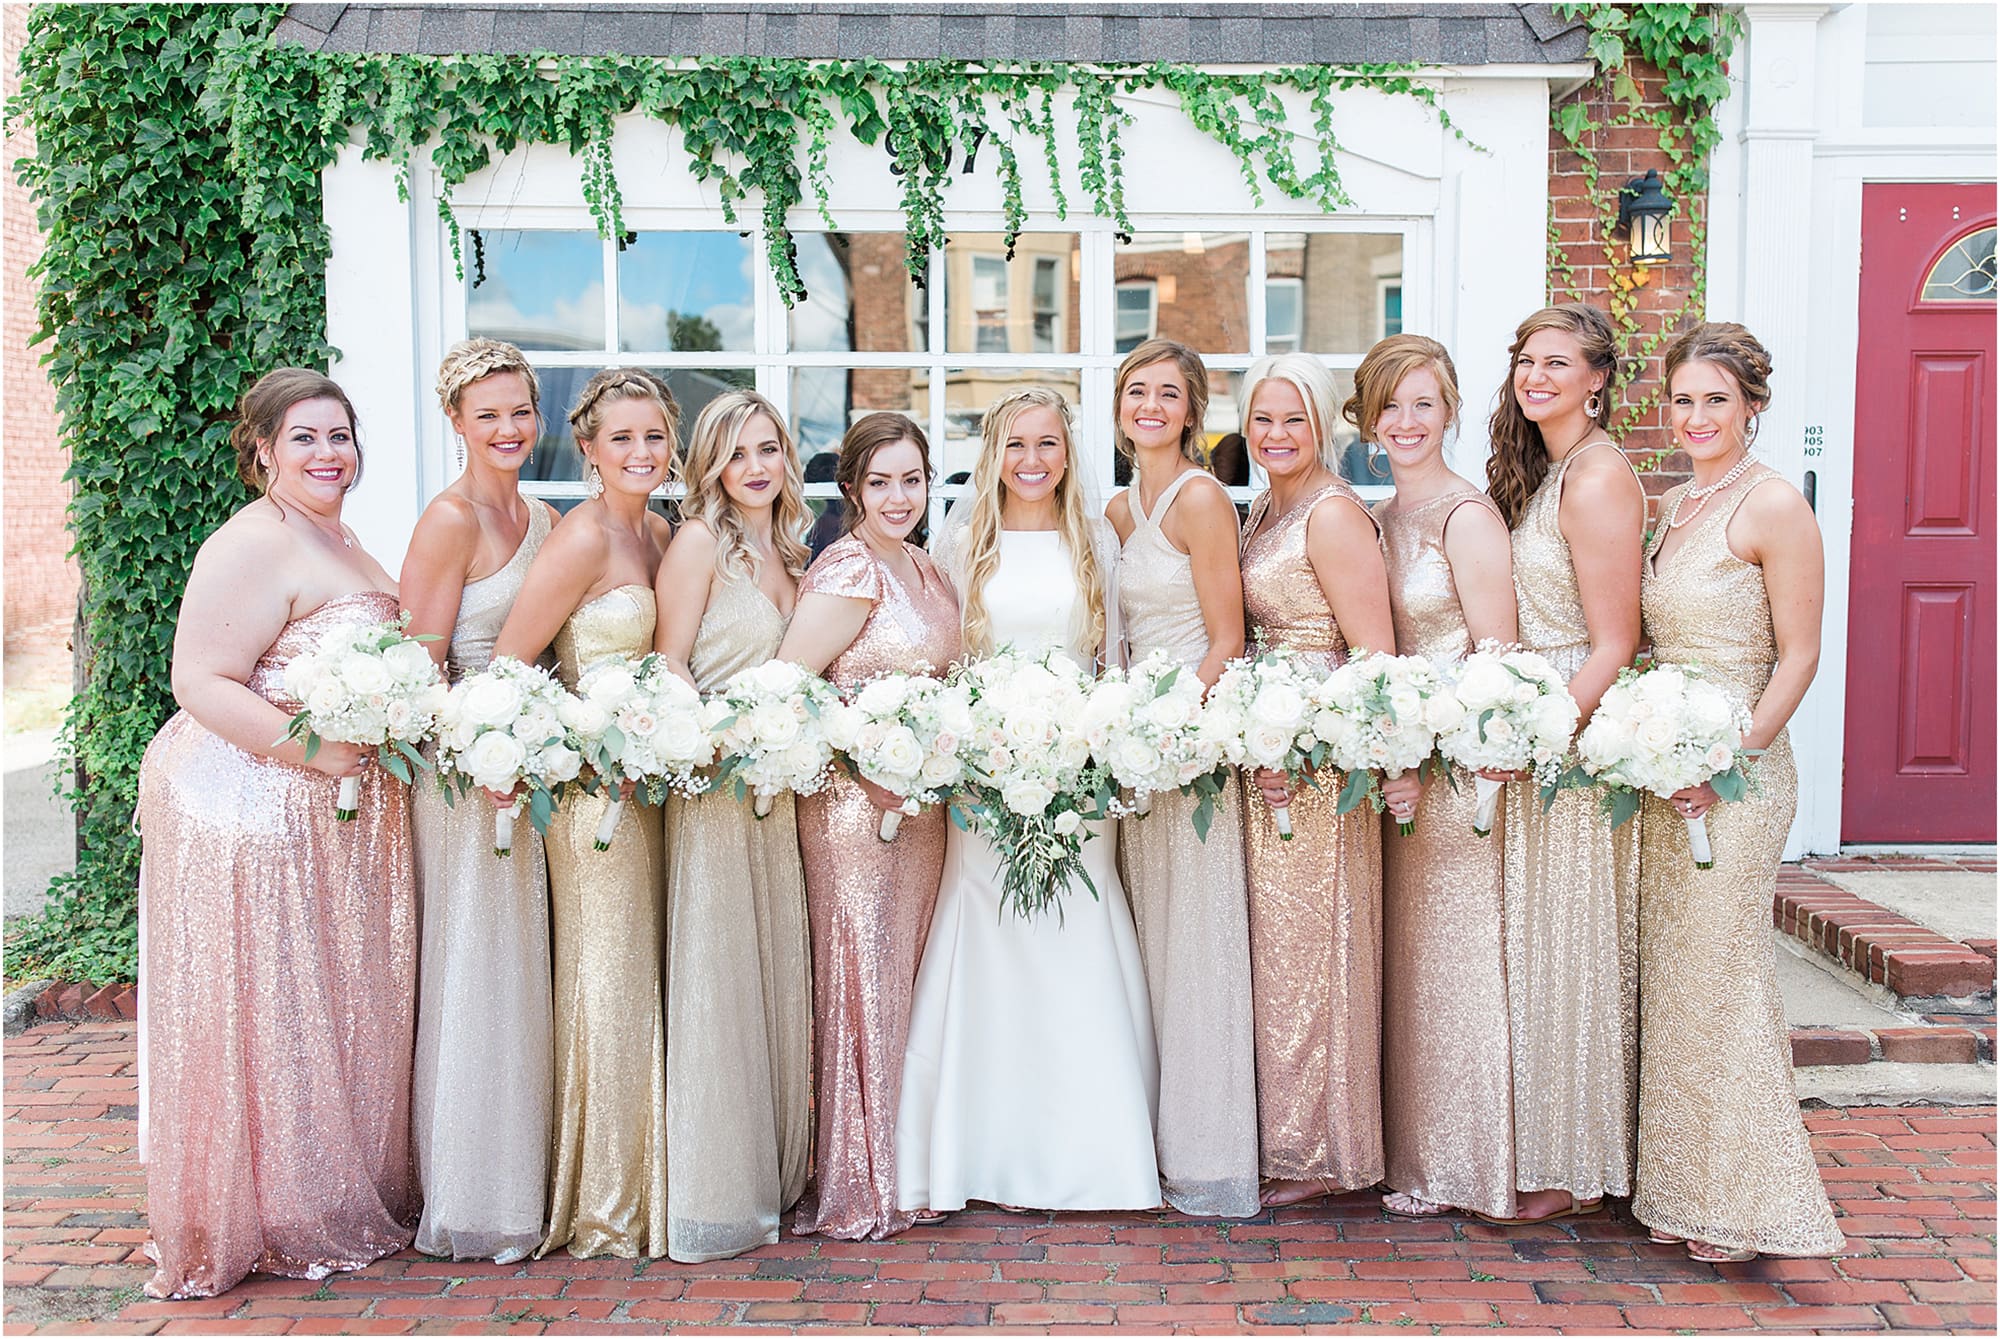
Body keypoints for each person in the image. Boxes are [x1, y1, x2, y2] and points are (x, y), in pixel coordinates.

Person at [136, 369, 416, 1298]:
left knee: (330, 999)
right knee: (275, 1001)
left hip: (334, 804)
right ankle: (274, 1206)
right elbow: (201, 679)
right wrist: (312, 748)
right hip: (257, 802)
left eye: (340, 434)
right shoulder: (251, 541)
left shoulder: (336, 533)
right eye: (305, 437)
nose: (329, 452)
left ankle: (329, 1184)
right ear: (261, 449)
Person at [897, 387, 1161, 1216]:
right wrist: (971, 746)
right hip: (984, 777)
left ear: (1068, 452)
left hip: (1079, 778)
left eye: (1048, 443)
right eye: (1016, 445)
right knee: (991, 936)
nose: (1032, 461)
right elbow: (944, 661)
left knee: (1073, 933)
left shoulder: (1098, 542)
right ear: (993, 454)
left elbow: (1110, 663)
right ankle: (978, 1145)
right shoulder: (960, 538)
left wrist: (1094, 748)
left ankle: (1092, 1148)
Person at [1631, 324, 1842, 1263]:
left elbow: (1799, 653)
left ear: (1753, 405)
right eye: (1682, 399)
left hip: (1738, 777)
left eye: (1716, 399)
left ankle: (1748, 1199)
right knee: (1674, 977)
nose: (1696, 416)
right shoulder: (1672, 505)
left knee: (1722, 975)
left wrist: (1730, 762)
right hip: (1661, 771)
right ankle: (1676, 1181)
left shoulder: (1773, 507)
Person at [491, 368, 678, 1258]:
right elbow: (510, 669)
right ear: (591, 449)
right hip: (592, 799)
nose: (640, 452)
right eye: (622, 439)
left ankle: (650, 1181)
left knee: (644, 976)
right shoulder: (580, 539)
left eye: (654, 436)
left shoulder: (660, 532)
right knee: (606, 984)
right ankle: (606, 1204)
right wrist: (589, 746)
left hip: (650, 792)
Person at [777, 412, 962, 1240]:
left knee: (910, 981)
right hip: (856, 811)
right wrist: (866, 768)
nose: (898, 496)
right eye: (880, 481)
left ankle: (908, 1161)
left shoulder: (926, 567)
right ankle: (860, 1178)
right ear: (851, 488)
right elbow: (791, 688)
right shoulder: (848, 568)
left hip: (922, 811)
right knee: (863, 977)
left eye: (912, 480)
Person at [1481, 303, 1645, 1225]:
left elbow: (1615, 639)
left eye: (1557, 362)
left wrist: (1538, 738)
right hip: (1539, 724)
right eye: (1526, 360)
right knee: (1538, 949)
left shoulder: (1597, 479)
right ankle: (1550, 1144)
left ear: (1597, 379)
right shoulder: (1551, 471)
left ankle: (1578, 1166)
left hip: (1573, 743)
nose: (1536, 376)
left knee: (1572, 948)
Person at [398, 339, 558, 1263]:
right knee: (478, 979)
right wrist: (482, 747)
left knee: (524, 977)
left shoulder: (540, 517)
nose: (507, 429)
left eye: (520, 411)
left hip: (527, 770)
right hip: (464, 782)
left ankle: (528, 1175)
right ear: (455, 420)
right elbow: (419, 674)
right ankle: (475, 1195)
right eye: (488, 413)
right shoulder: (449, 519)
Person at [1355, 335, 1520, 1221]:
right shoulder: (1377, 518)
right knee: (1411, 961)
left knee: (1457, 961)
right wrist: (1389, 753)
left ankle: (1469, 1163)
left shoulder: (1467, 515)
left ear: (1450, 409)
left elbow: (1497, 657)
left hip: (1459, 772)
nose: (1406, 422)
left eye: (1423, 403)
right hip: (1397, 768)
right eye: (1391, 405)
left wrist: (1428, 754)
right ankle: (1416, 1153)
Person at [1233, 354, 1404, 1207]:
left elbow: (1373, 658)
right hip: (1266, 741)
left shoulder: (1334, 515)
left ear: (1322, 425)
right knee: (1278, 956)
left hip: (1316, 759)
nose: (1275, 435)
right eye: (1262, 420)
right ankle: (1288, 1134)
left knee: (1315, 951)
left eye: (1291, 419)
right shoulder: (1268, 505)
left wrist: (1306, 744)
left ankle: (1322, 1152)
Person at [650, 390, 814, 1261]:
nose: (756, 466)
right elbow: (669, 665)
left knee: (773, 972)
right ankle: (719, 1191)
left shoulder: (787, 547)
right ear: (710, 466)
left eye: (769, 448)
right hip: (716, 786)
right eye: (737, 452)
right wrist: (717, 741)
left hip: (779, 788)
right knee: (720, 980)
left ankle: (775, 1172)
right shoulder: (700, 543)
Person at [1104, 340, 1260, 1218]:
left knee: (1194, 945)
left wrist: (1165, 728)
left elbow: (1226, 638)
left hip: (1188, 750)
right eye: (1138, 391)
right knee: (1147, 949)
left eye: (1169, 393)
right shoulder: (1121, 509)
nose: (1152, 405)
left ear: (1193, 412)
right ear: (1120, 406)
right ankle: (1149, 1138)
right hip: (1134, 756)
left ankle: (1205, 1151)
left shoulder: (1200, 499)